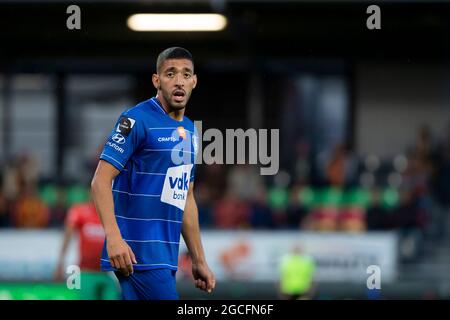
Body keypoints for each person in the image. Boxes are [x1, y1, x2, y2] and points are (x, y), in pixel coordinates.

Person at [91, 47, 215, 300]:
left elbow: (186, 198)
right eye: (170, 74)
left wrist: (198, 259)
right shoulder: (135, 120)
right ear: (156, 80)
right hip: (138, 253)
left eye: (185, 74)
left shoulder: (190, 131)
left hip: (165, 256)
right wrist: (114, 238)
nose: (179, 81)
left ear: (194, 81)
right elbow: (100, 181)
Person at [54, 198, 119, 300]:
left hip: (106, 274)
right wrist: (60, 263)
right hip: (85, 273)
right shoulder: (79, 211)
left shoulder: (111, 215)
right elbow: (67, 236)